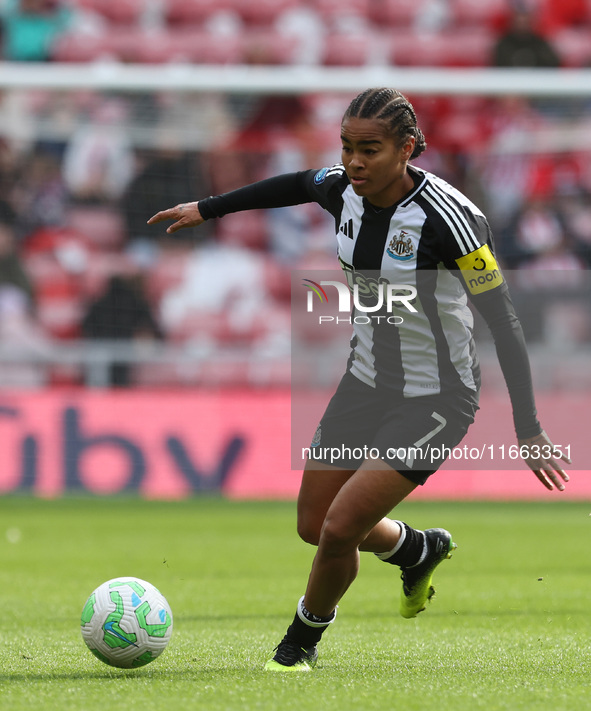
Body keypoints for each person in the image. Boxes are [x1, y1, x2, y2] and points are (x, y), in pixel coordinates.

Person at [147, 88, 571, 672]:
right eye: (347, 147)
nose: (354, 162)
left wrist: (528, 426)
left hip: (437, 399)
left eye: (369, 149)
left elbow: (505, 320)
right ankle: (415, 548)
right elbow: (298, 182)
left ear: (409, 148)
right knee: (313, 524)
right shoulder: (344, 191)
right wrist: (209, 208)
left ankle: (298, 647)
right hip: (365, 382)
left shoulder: (453, 221)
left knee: (341, 527)